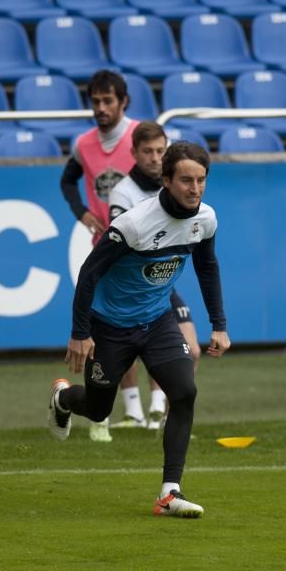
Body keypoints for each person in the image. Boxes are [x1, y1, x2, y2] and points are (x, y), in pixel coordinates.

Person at [48, 142, 231, 517]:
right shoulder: (133, 224)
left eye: (201, 180)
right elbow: (89, 273)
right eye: (185, 180)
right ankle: (64, 400)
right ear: (165, 180)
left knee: (184, 392)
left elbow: (207, 267)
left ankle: (169, 493)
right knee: (99, 411)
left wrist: (219, 324)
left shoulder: (206, 219)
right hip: (111, 326)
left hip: (157, 321)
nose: (194, 188)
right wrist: (81, 332)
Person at [59, 70, 140, 442]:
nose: (101, 108)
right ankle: (108, 412)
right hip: (105, 254)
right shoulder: (84, 144)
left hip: (144, 254)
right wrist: (81, 212)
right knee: (107, 332)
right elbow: (67, 180)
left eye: (108, 101)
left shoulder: (142, 138)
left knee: (152, 323)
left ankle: (148, 408)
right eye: (95, 101)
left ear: (124, 101)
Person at [108, 122, 202, 428]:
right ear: (134, 153)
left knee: (193, 350)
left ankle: (161, 413)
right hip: (130, 286)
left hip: (162, 284)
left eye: (161, 150)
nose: (155, 157)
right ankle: (134, 410)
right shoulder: (123, 192)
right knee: (131, 351)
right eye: (148, 151)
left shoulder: (174, 186)